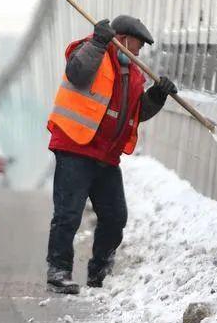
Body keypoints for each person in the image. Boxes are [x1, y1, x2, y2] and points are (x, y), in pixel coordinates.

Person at [45, 15, 177, 294]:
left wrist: (157, 96)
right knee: (68, 213)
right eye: (138, 44)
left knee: (115, 216)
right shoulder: (90, 51)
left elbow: (136, 113)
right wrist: (98, 42)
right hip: (75, 147)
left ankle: (100, 271)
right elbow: (77, 73)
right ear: (123, 39)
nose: (140, 51)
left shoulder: (136, 74)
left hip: (105, 156)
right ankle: (59, 270)